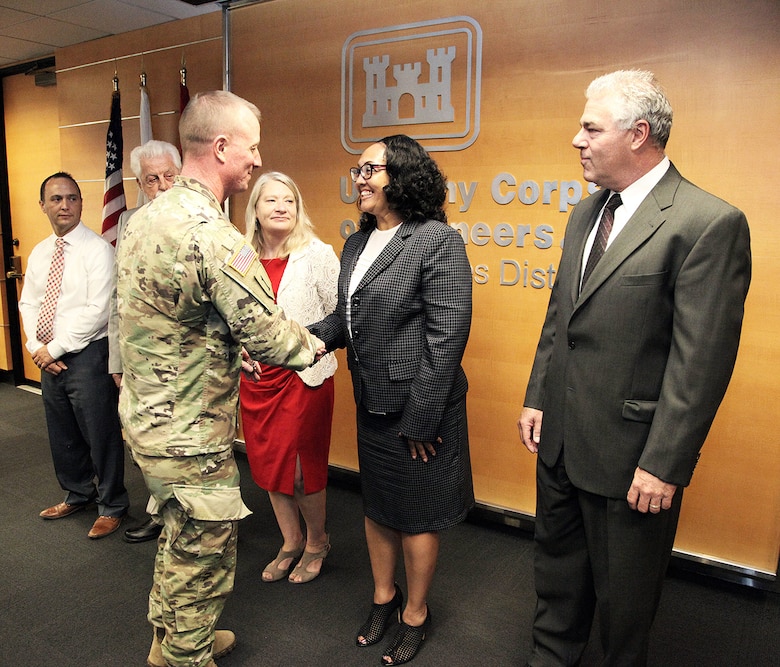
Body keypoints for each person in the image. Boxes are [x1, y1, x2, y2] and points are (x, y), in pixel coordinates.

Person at [517, 70, 751, 666]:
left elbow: (699, 363)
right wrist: (539, 394)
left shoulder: (706, 223)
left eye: (591, 128)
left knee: (624, 609)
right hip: (561, 443)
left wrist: (664, 464)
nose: (577, 139)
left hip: (632, 460)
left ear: (639, 134)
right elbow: (560, 317)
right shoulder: (585, 214)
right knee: (556, 584)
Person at [115, 91, 324, 667]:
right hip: (189, 429)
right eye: (252, 148)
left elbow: (169, 316)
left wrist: (230, 348)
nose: (257, 161)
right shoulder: (215, 235)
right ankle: (187, 657)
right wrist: (322, 339)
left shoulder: (143, 219)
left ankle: (174, 639)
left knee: (178, 536)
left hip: (148, 417)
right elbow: (273, 336)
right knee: (203, 551)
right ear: (223, 146)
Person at [310, 134, 473, 665]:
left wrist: (423, 419)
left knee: (417, 514)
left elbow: (446, 336)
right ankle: (385, 597)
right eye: (356, 170)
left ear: (402, 175)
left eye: (370, 170)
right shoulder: (358, 242)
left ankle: (415, 615)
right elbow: (347, 319)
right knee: (378, 506)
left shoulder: (436, 240)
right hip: (373, 399)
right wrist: (305, 339)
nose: (359, 179)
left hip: (420, 409)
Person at [239, 171, 339, 584]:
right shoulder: (240, 256)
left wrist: (306, 346)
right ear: (256, 211)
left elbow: (341, 314)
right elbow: (230, 316)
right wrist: (238, 350)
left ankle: (317, 541)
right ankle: (291, 541)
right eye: (271, 201)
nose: (281, 208)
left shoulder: (317, 253)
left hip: (304, 378)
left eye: (289, 201)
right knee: (268, 466)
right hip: (256, 379)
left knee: (300, 470)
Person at [19, 172, 129, 539]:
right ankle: (78, 492)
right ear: (43, 206)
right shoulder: (39, 252)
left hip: (87, 356)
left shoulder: (98, 250)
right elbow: (29, 302)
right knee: (62, 433)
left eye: (72, 198)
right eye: (56, 199)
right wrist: (37, 348)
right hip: (47, 358)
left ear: (81, 203)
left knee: (101, 434)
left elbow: (98, 310)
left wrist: (53, 349)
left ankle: (112, 504)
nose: (64, 205)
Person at [107, 139, 182, 545]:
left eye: (169, 176)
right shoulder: (128, 221)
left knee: (178, 444)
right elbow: (117, 296)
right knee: (144, 441)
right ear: (139, 182)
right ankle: (159, 509)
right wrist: (115, 360)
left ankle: (177, 518)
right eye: (152, 179)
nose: (162, 186)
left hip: (182, 361)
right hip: (138, 361)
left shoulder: (200, 220)